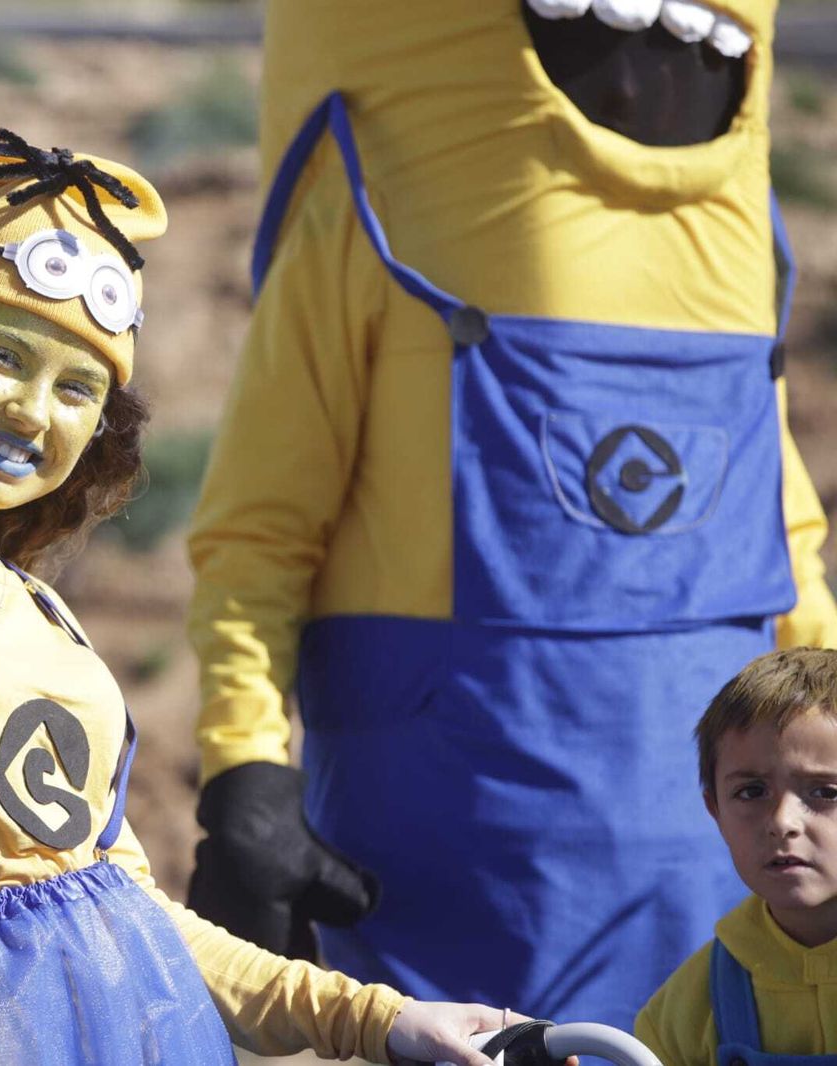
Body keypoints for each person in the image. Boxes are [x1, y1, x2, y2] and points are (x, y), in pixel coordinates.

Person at [0, 132, 515, 1065]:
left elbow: (130, 915)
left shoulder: (42, 611)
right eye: (2, 357)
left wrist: (381, 1019)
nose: (36, 413)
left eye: (77, 388)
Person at [184, 0, 837, 1031]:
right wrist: (245, 768)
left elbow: (781, 536)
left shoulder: (735, 248)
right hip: (451, 900)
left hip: (724, 903)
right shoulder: (375, 205)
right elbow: (259, 531)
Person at [635, 647, 837, 1066]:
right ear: (716, 811)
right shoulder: (685, 1010)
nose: (783, 822)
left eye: (825, 792)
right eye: (751, 792)